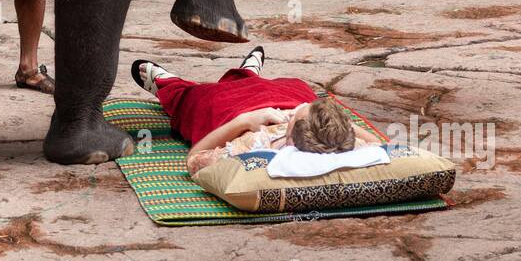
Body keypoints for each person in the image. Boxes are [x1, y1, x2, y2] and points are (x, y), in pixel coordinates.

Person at [130, 46, 384, 175]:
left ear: (289, 138)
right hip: (282, 98)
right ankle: (247, 74)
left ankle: (169, 85)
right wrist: (340, 128)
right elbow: (382, 146)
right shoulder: (349, 145)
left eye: (298, 115)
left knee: (200, 98)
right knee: (292, 87)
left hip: (240, 114)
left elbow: (195, 159)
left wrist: (243, 121)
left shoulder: (259, 146)